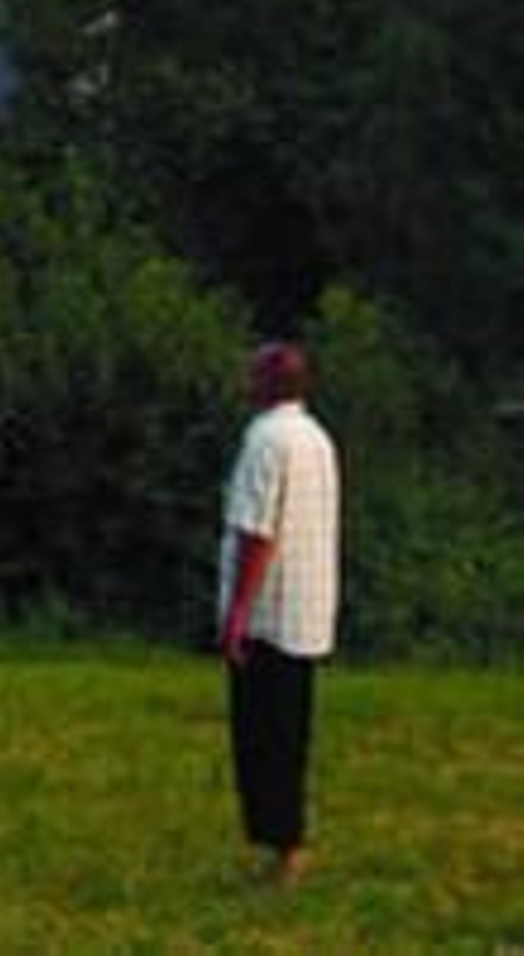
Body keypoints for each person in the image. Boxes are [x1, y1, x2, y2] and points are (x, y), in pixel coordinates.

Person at [217, 340, 339, 885]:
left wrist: (238, 610)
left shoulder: (264, 439)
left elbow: (256, 529)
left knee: (262, 736)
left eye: (251, 374)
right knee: (292, 734)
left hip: (271, 612)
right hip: (309, 609)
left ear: (267, 382)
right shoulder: (316, 438)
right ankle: (283, 844)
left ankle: (283, 843)